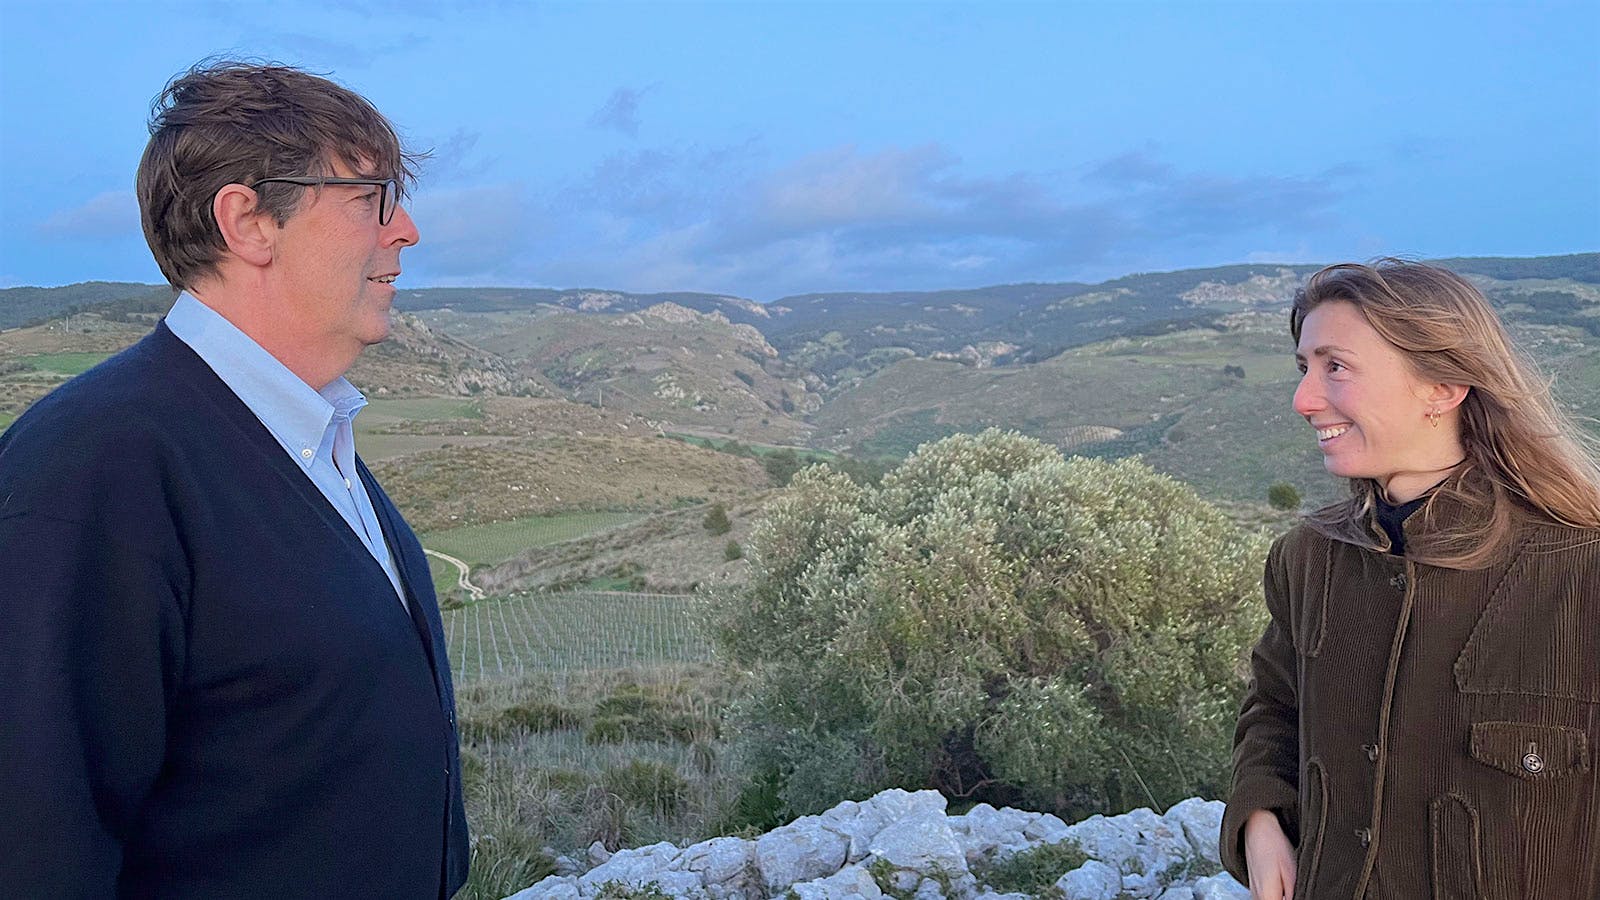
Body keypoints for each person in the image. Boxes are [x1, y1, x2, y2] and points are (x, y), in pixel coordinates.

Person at [0, 61, 469, 897]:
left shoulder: (313, 435)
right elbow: (37, 839)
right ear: (248, 222)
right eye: (372, 198)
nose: (406, 231)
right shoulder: (96, 467)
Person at [1220, 259, 1600, 899]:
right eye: (1304, 367)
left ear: (1443, 386)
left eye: (1336, 366)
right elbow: (1275, 707)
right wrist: (1261, 816)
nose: (1303, 400)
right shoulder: (1306, 559)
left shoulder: (1582, 571)